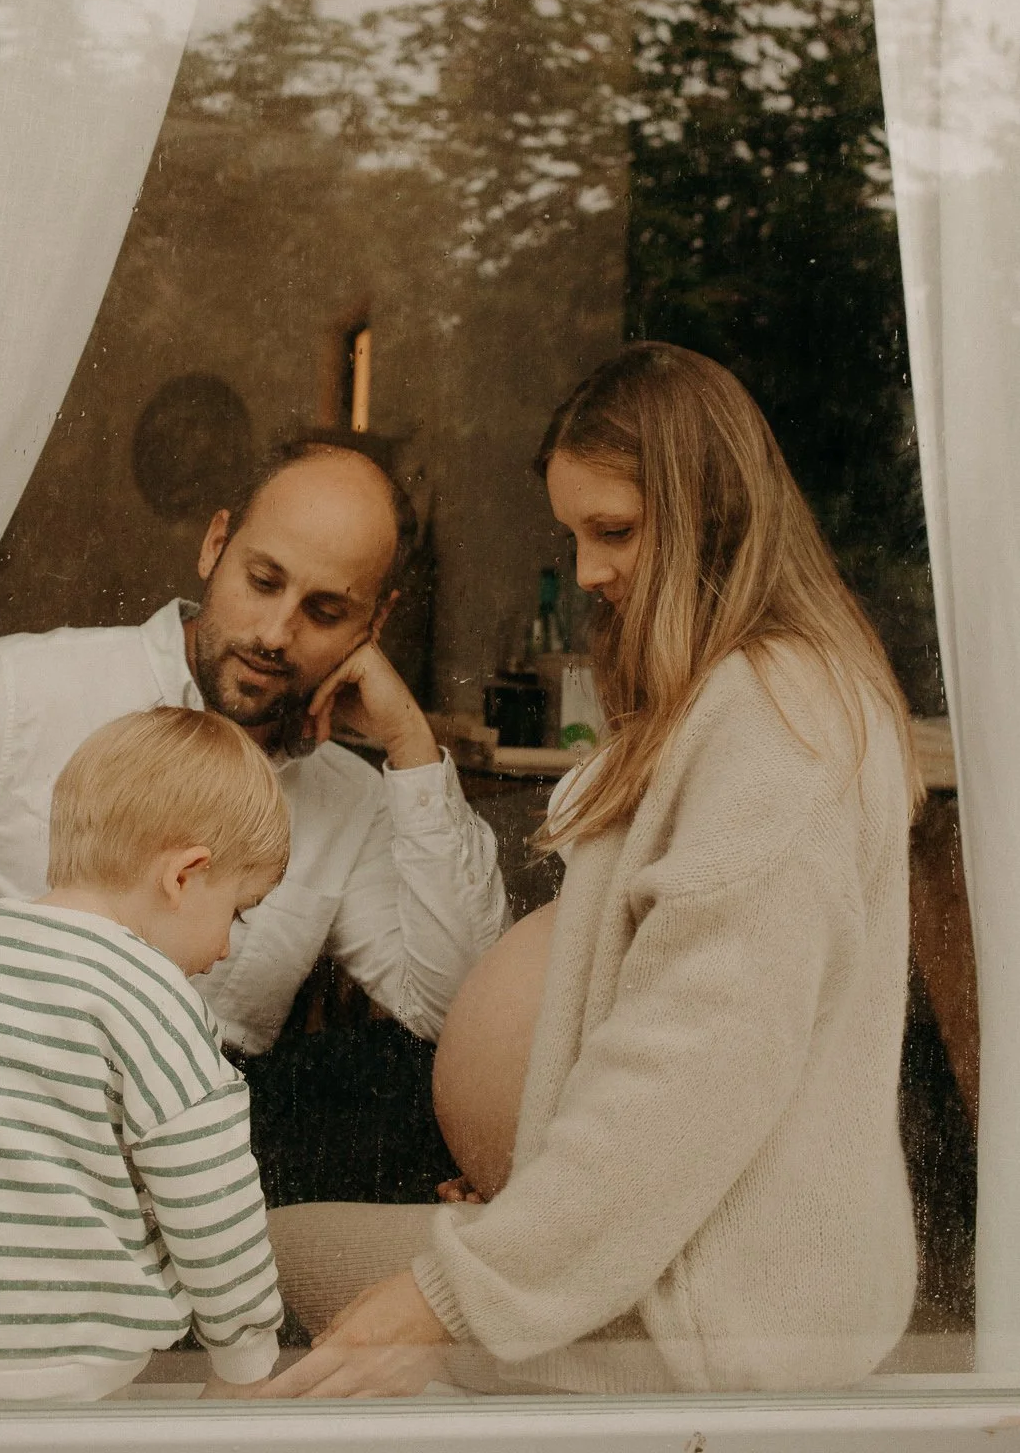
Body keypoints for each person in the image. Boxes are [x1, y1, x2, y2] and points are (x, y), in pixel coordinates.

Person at [259, 343, 921, 1399]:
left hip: (697, 1310)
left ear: (712, 509)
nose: (592, 571)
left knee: (260, 1270)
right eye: (575, 536)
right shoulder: (747, 696)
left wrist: (456, 1292)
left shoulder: (776, 717)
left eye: (612, 530)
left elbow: (693, 1072)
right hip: (642, 1262)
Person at [0, 435, 507, 1290]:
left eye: (323, 612)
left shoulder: (348, 800)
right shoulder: (14, 695)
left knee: (415, 1079)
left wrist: (410, 746)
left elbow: (460, 1019)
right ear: (215, 546)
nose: (276, 634)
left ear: (373, 623)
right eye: (262, 581)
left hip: (169, 1218)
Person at [0, 706, 289, 1405]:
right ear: (185, 876)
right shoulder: (148, 995)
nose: (224, 948)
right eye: (237, 912)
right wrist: (244, 1363)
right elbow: (210, 1199)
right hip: (46, 1375)